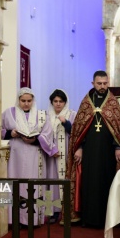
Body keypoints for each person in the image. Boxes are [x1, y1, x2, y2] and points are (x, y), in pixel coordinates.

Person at [66, 70, 120, 228]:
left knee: (108, 182)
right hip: (89, 152)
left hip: (108, 153)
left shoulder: (113, 102)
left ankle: (109, 218)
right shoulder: (86, 103)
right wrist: (78, 147)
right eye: (99, 83)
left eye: (105, 83)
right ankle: (89, 219)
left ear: (108, 83)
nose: (102, 86)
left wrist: (118, 146)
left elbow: (119, 127)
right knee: (90, 183)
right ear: (93, 83)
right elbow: (78, 129)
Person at [1, 87, 58, 226]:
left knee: (33, 185)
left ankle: (33, 219)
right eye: (23, 101)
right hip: (16, 156)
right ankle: (14, 219)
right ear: (18, 100)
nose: (26, 103)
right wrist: (10, 133)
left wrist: (36, 139)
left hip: (35, 154)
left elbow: (48, 133)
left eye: (29, 101)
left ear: (33, 100)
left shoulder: (42, 115)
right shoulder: (8, 113)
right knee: (16, 185)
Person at [46, 89, 77, 224]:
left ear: (65, 102)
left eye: (61, 101)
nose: (58, 104)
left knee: (66, 181)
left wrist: (66, 123)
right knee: (50, 183)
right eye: (55, 101)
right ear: (52, 102)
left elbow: (76, 133)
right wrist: (50, 148)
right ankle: (51, 212)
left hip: (66, 154)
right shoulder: (46, 116)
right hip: (51, 154)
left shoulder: (71, 114)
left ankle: (67, 211)